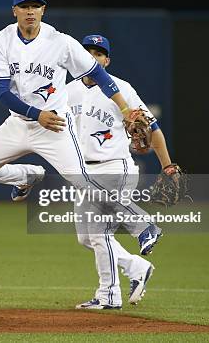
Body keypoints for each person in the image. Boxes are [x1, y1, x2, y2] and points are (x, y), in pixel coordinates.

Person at [0, 0, 142, 202]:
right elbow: (1, 92)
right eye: (24, 6)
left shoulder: (61, 42)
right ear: (14, 11)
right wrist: (37, 114)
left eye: (35, 6)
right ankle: (25, 176)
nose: (30, 11)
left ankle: (142, 225)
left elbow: (99, 74)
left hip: (55, 126)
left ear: (43, 10)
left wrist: (125, 109)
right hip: (19, 123)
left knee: (84, 181)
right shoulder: (1, 42)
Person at [66, 34, 174, 309]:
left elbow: (153, 129)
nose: (93, 57)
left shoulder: (122, 89)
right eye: (87, 51)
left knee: (100, 233)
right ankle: (136, 266)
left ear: (107, 60)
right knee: (86, 238)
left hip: (115, 166)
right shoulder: (68, 91)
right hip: (84, 174)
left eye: (99, 53)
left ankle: (108, 295)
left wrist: (167, 165)